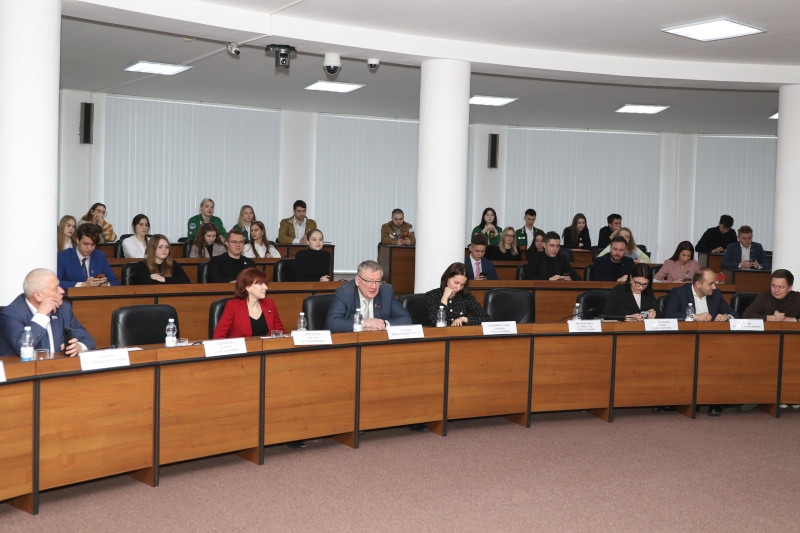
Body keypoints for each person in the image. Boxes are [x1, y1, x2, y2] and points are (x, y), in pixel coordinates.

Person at [0, 268, 95, 357]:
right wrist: (41, 316)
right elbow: (22, 348)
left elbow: (88, 340)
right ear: (38, 296)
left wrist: (79, 346)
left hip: (58, 366)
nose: (62, 291)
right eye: (55, 289)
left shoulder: (64, 309)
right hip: (23, 368)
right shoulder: (11, 314)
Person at [325, 260, 412, 332]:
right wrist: (363, 323)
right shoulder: (345, 292)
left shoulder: (386, 291)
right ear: (358, 280)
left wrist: (384, 324)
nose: (374, 287)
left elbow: (406, 319)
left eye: (377, 281)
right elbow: (332, 323)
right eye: (369, 281)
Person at [213, 268, 284, 338]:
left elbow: (281, 333)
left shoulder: (269, 303)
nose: (266, 287)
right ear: (247, 287)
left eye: (265, 283)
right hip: (243, 346)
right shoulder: (233, 305)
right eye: (260, 284)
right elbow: (218, 337)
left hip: (267, 345)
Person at [424, 262, 491, 326]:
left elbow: (487, 318)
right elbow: (436, 322)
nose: (458, 288)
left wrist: (465, 319)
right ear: (447, 278)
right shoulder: (432, 295)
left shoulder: (465, 296)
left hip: (461, 333)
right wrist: (445, 297)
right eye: (456, 283)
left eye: (462, 285)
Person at [56, 224, 120, 288]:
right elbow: (57, 283)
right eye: (86, 244)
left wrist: (106, 284)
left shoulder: (100, 256)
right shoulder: (63, 257)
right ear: (78, 240)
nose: (89, 248)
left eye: (93, 245)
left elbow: (115, 282)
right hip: (73, 294)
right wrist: (82, 285)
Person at [665, 267, 737, 322]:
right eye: (710, 284)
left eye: (714, 283)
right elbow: (669, 315)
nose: (714, 287)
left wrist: (726, 316)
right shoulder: (680, 292)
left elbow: (734, 314)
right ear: (698, 284)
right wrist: (694, 316)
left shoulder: (716, 294)